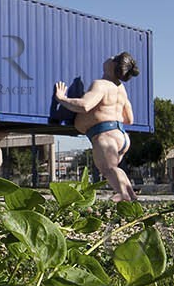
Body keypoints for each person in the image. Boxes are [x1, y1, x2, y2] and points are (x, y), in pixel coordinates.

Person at [54, 52, 140, 202]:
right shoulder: (121, 89)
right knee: (114, 168)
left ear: (113, 65)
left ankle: (122, 195)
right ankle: (131, 195)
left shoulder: (101, 85)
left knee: (108, 169)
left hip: (105, 135)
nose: (109, 57)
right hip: (121, 135)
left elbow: (85, 105)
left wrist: (61, 98)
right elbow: (129, 119)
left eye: (113, 58)